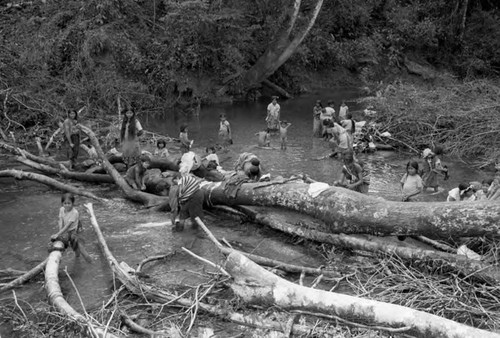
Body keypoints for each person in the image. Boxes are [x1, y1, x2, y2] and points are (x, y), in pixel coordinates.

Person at [50, 193, 92, 263]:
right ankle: (77, 262)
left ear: (72, 203)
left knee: (81, 249)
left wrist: (57, 234)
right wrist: (59, 233)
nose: (67, 205)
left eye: (69, 203)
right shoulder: (61, 209)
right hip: (69, 231)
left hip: (76, 232)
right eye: (65, 203)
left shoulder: (74, 213)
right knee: (75, 249)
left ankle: (90, 263)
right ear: (62, 203)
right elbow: (61, 221)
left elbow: (67, 226)